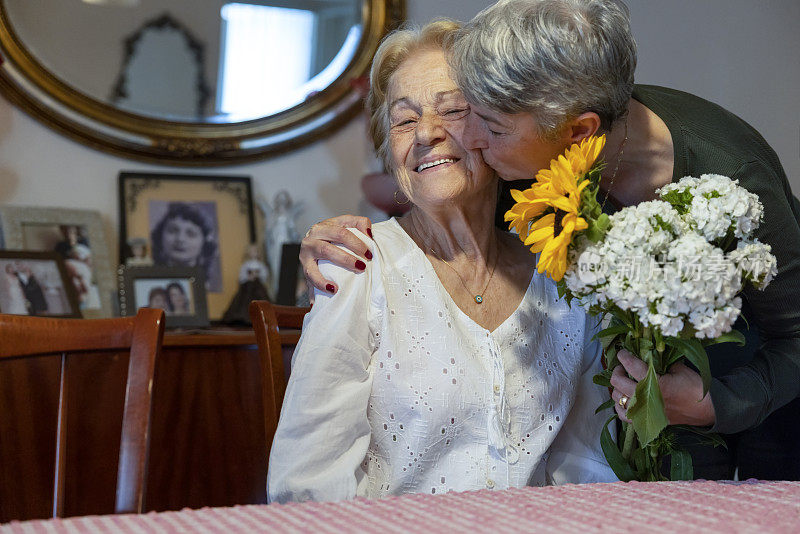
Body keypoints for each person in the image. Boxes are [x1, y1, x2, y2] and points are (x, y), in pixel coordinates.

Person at [299, 0, 800, 480]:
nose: (469, 137)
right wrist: (332, 236)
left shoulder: (734, 177)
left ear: (579, 132)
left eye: (488, 126)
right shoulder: (531, 152)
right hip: (637, 417)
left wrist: (717, 403)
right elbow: (445, 194)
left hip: (765, 390)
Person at [268, 20, 616, 504]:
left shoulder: (563, 273)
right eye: (404, 120)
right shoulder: (357, 266)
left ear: (497, 131)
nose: (427, 133)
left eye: (453, 110)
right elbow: (310, 481)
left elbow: (588, 463)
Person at [150, 202, 220, 291]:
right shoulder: (152, 283)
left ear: (204, 243)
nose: (180, 239)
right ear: (160, 236)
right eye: (172, 231)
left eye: (191, 234)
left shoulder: (206, 285)